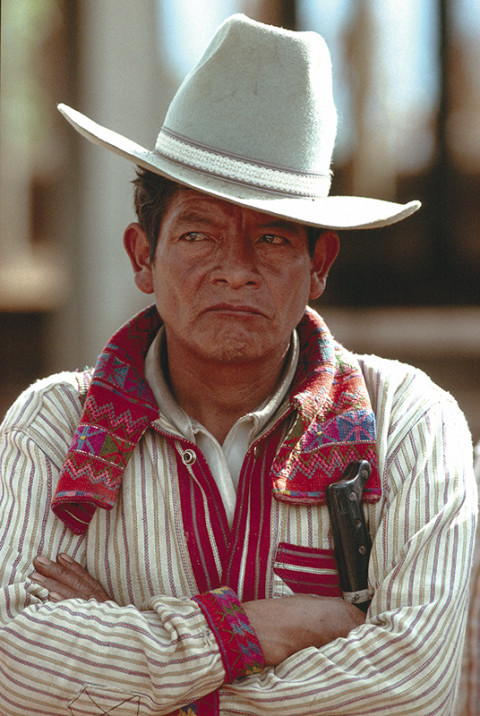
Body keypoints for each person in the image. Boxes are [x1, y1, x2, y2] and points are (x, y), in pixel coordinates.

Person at [0, 14, 476, 715]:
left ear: (318, 265)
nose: (235, 271)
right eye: (196, 233)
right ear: (142, 256)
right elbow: (14, 663)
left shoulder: (406, 421)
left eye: (274, 239)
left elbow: (410, 687)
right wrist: (256, 628)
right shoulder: (51, 425)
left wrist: (127, 675)